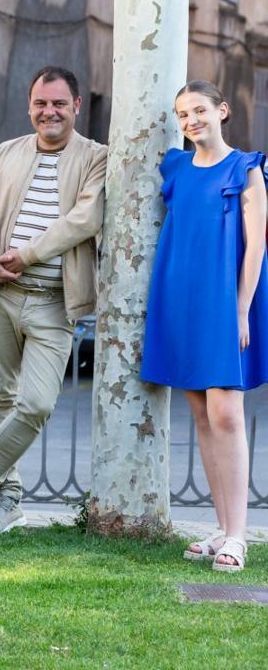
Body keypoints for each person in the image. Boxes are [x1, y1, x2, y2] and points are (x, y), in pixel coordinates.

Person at [0, 66, 107, 533]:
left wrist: (25, 255)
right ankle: (10, 499)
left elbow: (84, 220)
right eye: (41, 103)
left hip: (54, 301)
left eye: (59, 103)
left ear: (77, 106)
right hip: (0, 292)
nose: (50, 112)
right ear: (30, 106)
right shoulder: (7, 153)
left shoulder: (97, 158)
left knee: (38, 402)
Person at [141, 80, 267, 573]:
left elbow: (255, 247)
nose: (191, 121)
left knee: (228, 414)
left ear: (222, 111)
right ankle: (221, 528)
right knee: (200, 415)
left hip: (225, 302)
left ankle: (239, 535)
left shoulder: (248, 169)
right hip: (179, 299)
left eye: (199, 111)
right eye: (183, 114)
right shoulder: (175, 168)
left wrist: (241, 309)